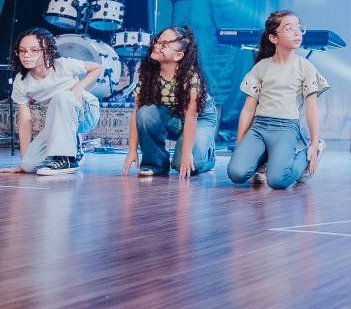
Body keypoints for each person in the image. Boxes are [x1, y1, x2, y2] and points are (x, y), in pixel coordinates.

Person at [227, 10, 328, 189]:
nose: (297, 33)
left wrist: (313, 142)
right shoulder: (261, 67)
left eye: (299, 28)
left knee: (278, 180)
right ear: (273, 38)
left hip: (286, 128)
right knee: (236, 173)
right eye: (289, 29)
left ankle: (310, 154)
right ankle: (264, 161)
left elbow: (311, 108)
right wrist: (240, 142)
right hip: (259, 127)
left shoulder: (305, 67)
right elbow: (248, 109)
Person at [1, 28, 101, 175]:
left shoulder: (63, 65)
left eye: (34, 50)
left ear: (47, 51)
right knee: (29, 165)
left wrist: (78, 88)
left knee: (62, 96)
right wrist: (23, 161)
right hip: (58, 122)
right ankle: (74, 148)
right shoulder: (21, 82)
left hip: (86, 113)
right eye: (22, 51)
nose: (26, 55)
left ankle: (68, 160)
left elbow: (97, 68)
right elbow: (25, 122)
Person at [121, 25, 218, 177]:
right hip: (172, 117)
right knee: (145, 112)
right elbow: (136, 112)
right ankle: (156, 164)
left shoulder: (190, 78)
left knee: (184, 165)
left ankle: (208, 156)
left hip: (199, 119)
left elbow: (191, 118)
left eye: (164, 45)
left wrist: (186, 153)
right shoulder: (148, 74)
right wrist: (132, 150)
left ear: (178, 55)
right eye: (157, 41)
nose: (157, 46)